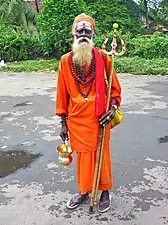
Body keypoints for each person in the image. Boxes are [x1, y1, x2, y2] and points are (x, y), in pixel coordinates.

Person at [56, 13, 121, 213]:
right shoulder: (65, 61)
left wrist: (112, 109)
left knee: (102, 155)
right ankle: (85, 190)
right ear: (73, 35)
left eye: (87, 31)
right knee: (84, 158)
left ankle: (104, 192)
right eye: (80, 31)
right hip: (76, 121)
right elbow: (62, 93)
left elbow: (115, 89)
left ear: (93, 35)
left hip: (99, 119)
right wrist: (63, 121)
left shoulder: (102, 57)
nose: (83, 34)